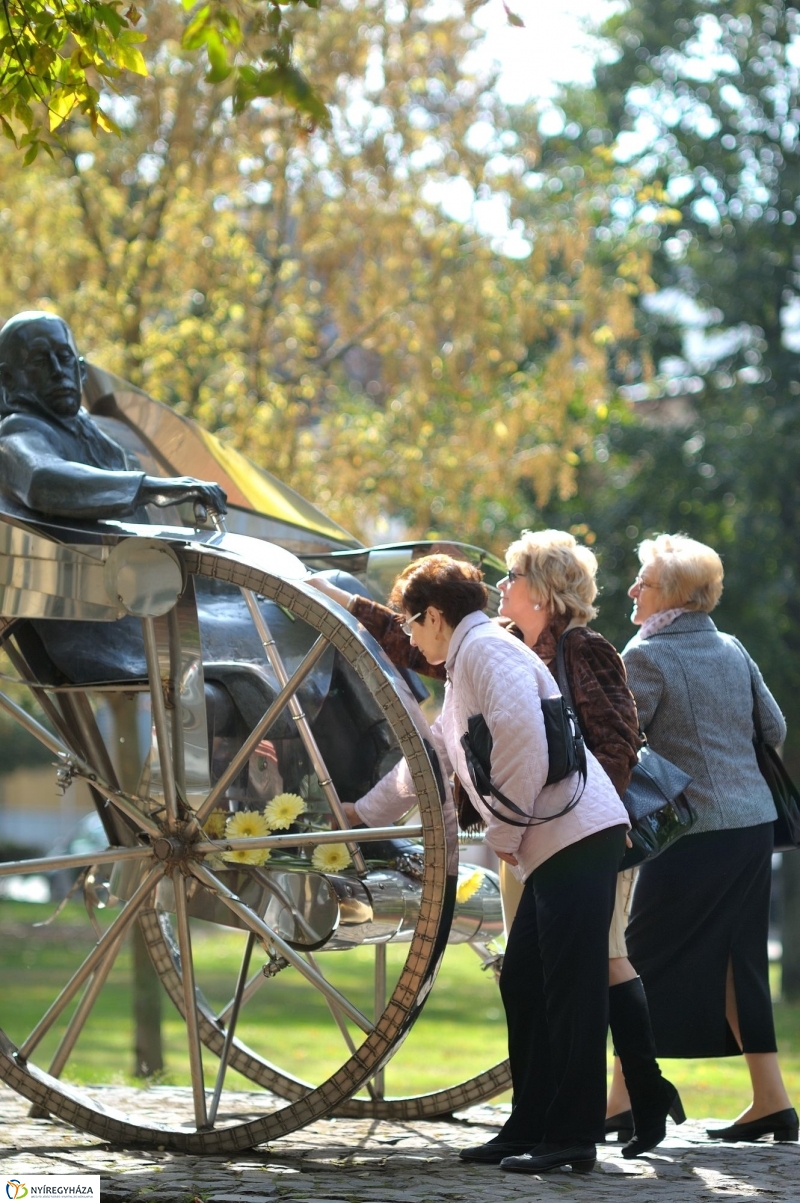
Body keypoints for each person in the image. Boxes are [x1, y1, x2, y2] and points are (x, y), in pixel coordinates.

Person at [311, 530, 682, 1157]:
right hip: (556, 842)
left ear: (434, 616)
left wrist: (503, 832)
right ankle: (534, 1124)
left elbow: (523, 742)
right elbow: (426, 761)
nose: (412, 638)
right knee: (525, 981)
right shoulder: (471, 656)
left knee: (568, 986)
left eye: (413, 622)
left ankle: (571, 1137)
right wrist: (359, 812)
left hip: (576, 836)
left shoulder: (484, 651)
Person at [621, 533, 798, 1143]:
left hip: (691, 833)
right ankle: (772, 1100)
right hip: (752, 827)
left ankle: (622, 1097)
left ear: (667, 593)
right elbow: (771, 727)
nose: (632, 591)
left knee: (635, 954)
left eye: (641, 581)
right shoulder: (732, 647)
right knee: (738, 962)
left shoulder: (644, 656)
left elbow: (620, 744)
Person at [0, 310, 227, 520]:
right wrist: (156, 489)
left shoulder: (89, 431)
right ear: (8, 379)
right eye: (39, 361)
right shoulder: (18, 431)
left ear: (82, 371)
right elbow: (43, 479)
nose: (58, 371)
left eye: (64, 357)